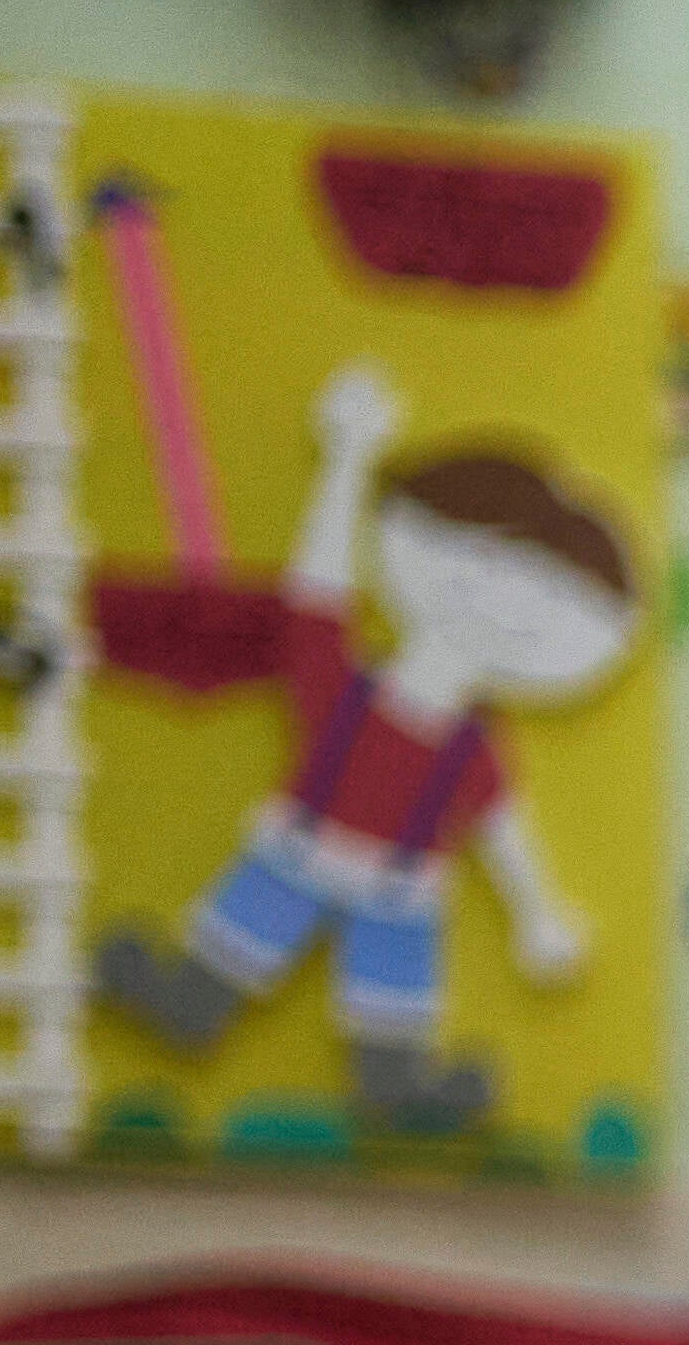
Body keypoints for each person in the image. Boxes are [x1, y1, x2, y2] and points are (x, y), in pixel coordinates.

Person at [90, 360, 636, 1146]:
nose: (501, 602)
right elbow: (316, 599)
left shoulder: (474, 749)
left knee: (389, 1043)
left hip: (398, 891)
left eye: (548, 599)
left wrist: (537, 914)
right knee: (208, 986)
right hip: (297, 853)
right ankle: (180, 1000)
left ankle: (401, 1092)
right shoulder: (342, 687)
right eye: (481, 563)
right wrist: (348, 458)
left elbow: (500, 826)